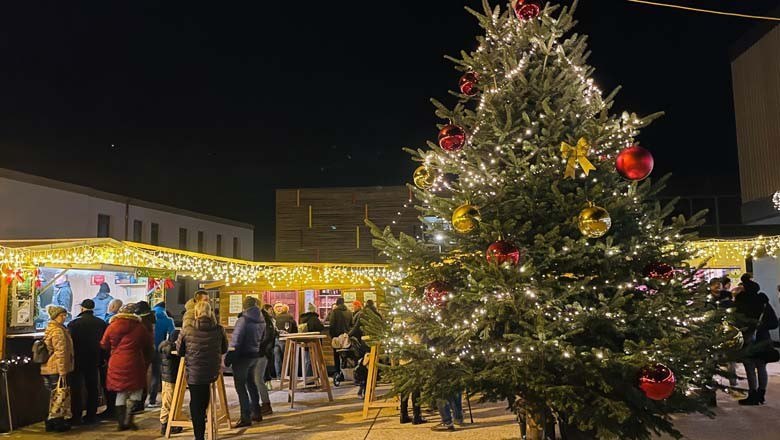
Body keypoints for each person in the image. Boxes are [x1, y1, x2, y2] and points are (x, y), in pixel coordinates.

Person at [178, 301, 228, 440]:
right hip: (212, 372)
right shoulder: (219, 329)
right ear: (210, 312)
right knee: (203, 399)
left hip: (194, 372)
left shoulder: (187, 329)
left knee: (196, 403)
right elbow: (224, 349)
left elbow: (180, 351)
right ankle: (206, 419)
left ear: (195, 313)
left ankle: (199, 436)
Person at [100, 303, 153, 431]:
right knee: (136, 390)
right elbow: (148, 344)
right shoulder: (140, 327)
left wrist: (113, 351)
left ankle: (121, 423)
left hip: (116, 361)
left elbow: (103, 344)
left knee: (121, 391)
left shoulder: (112, 326)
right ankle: (129, 420)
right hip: (135, 361)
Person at [734, 278, 779, 405]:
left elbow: (735, 320)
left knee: (749, 367)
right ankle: (761, 394)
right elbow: (774, 323)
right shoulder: (764, 303)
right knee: (761, 366)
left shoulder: (741, 303)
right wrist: (761, 327)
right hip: (763, 339)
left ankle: (752, 393)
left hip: (747, 338)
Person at [67, 299, 107, 425]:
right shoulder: (101, 323)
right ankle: (91, 415)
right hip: (94, 359)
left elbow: (70, 342)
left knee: (76, 389)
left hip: (78, 360)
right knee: (93, 388)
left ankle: (76, 415)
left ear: (82, 308)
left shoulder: (74, 323)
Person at [230, 297, 266, 427]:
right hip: (254, 355)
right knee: (251, 383)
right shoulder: (261, 319)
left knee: (240, 386)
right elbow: (262, 337)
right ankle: (256, 412)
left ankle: (245, 417)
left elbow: (236, 339)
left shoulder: (243, 320)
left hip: (242, 356)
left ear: (244, 307)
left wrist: (229, 355)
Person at [41, 305, 75, 432]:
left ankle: (53, 420)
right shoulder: (58, 331)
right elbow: (61, 352)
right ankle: (56, 421)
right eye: (62, 315)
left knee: (55, 394)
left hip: (50, 367)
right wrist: (63, 371)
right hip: (56, 367)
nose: (64, 317)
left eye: (65, 315)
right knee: (59, 395)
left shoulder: (53, 328)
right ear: (55, 316)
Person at [149, 302, 175, 408]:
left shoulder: (148, 316)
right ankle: (152, 400)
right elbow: (172, 335)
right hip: (158, 349)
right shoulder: (168, 320)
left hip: (145, 348)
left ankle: (139, 402)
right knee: (156, 374)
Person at [159, 329, 183, 435]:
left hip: (167, 378)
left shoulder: (165, 346)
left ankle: (169, 423)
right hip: (171, 378)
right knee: (168, 402)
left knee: (169, 401)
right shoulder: (171, 349)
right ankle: (165, 425)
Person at [134, 301, 156, 413]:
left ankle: (139, 403)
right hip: (149, 351)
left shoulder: (142, 322)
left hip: (143, 352)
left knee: (141, 378)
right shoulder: (151, 319)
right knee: (145, 377)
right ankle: (141, 402)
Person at [328, 298, 353, 381]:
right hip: (346, 337)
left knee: (336, 355)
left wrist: (332, 336)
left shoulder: (334, 312)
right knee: (345, 354)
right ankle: (346, 372)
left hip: (337, 337)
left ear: (337, 303)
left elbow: (332, 325)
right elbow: (351, 325)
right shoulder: (349, 312)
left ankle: (338, 373)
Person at [272, 303, 298, 378]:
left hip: (277, 339)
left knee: (277, 358)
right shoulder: (290, 317)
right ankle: (287, 375)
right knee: (286, 358)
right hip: (286, 340)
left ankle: (279, 376)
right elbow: (295, 329)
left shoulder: (275, 318)